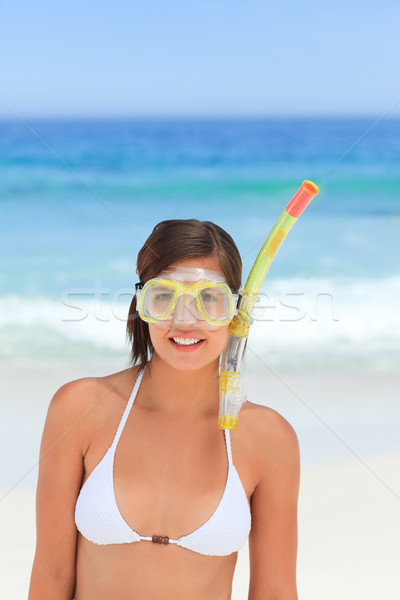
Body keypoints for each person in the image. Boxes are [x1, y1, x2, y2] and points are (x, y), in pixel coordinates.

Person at [28, 219, 300, 600]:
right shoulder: (81, 408)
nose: (185, 319)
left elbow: (275, 591)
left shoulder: (269, 438)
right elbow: (50, 576)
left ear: (236, 311)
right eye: (163, 296)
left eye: (208, 298)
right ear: (142, 305)